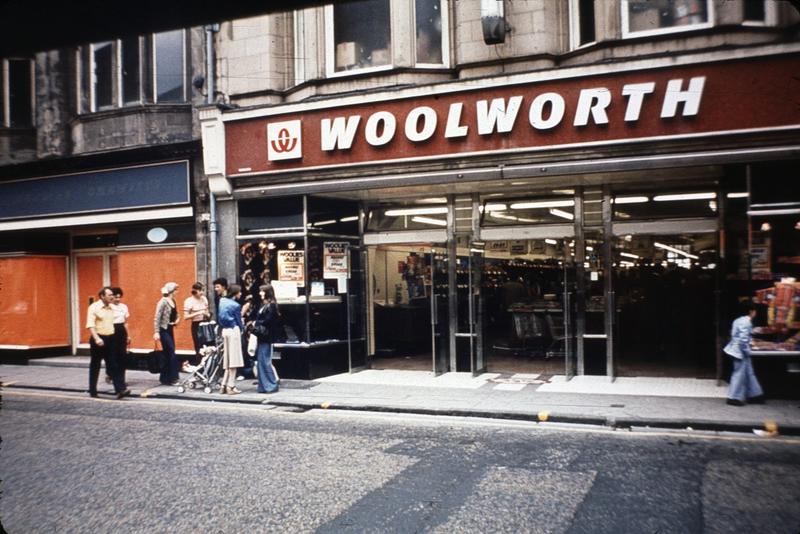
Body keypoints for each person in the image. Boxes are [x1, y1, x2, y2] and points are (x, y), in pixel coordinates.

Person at [86, 286, 130, 399]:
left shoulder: (111, 308)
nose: (112, 297)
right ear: (102, 296)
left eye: (112, 295)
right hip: (98, 339)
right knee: (95, 365)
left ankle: (120, 390)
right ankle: (92, 390)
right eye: (110, 295)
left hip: (110, 339)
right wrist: (97, 338)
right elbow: (90, 325)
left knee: (113, 364)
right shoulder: (94, 307)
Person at [724, 302, 765, 406]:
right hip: (740, 352)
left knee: (749, 372)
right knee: (739, 374)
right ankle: (733, 397)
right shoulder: (747, 322)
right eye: (755, 311)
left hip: (735, 350)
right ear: (751, 311)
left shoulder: (737, 320)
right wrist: (747, 351)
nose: (755, 313)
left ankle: (755, 395)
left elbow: (734, 334)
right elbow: (743, 339)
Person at [217, 284, 245, 394]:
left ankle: (223, 385)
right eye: (239, 292)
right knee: (234, 360)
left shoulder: (222, 301)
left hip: (225, 330)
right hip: (234, 330)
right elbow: (239, 321)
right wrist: (242, 329)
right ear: (235, 293)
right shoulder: (236, 305)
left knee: (227, 359)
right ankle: (231, 386)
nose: (240, 294)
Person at [253, 284, 280, 394]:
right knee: (261, 361)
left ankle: (271, 385)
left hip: (266, 337)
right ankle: (264, 386)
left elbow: (269, 320)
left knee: (265, 361)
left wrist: (256, 323)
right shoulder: (264, 304)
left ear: (267, 292)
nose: (260, 293)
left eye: (262, 291)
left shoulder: (271, 305)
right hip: (262, 336)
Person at [154, 282, 181, 386]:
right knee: (171, 351)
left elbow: (176, 314)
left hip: (170, 328)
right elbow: (157, 317)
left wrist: (177, 320)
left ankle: (165, 378)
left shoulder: (173, 301)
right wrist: (156, 332)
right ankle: (173, 378)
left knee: (167, 353)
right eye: (176, 290)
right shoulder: (163, 302)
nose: (177, 292)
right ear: (171, 291)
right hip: (163, 329)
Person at [183, 282, 210, 369]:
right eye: (200, 290)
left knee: (207, 345)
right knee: (198, 346)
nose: (202, 292)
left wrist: (207, 314)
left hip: (205, 322)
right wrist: (198, 313)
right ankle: (200, 367)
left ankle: (208, 367)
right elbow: (185, 317)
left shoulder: (204, 299)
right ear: (195, 291)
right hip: (196, 324)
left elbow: (207, 312)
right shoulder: (189, 301)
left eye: (203, 290)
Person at [110, 287, 130, 386]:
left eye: (119, 297)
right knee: (113, 355)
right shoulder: (109, 307)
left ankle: (122, 379)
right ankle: (112, 376)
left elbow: (126, 322)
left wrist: (128, 336)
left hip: (121, 330)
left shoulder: (124, 307)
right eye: (116, 297)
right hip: (111, 330)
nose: (118, 299)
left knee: (122, 355)